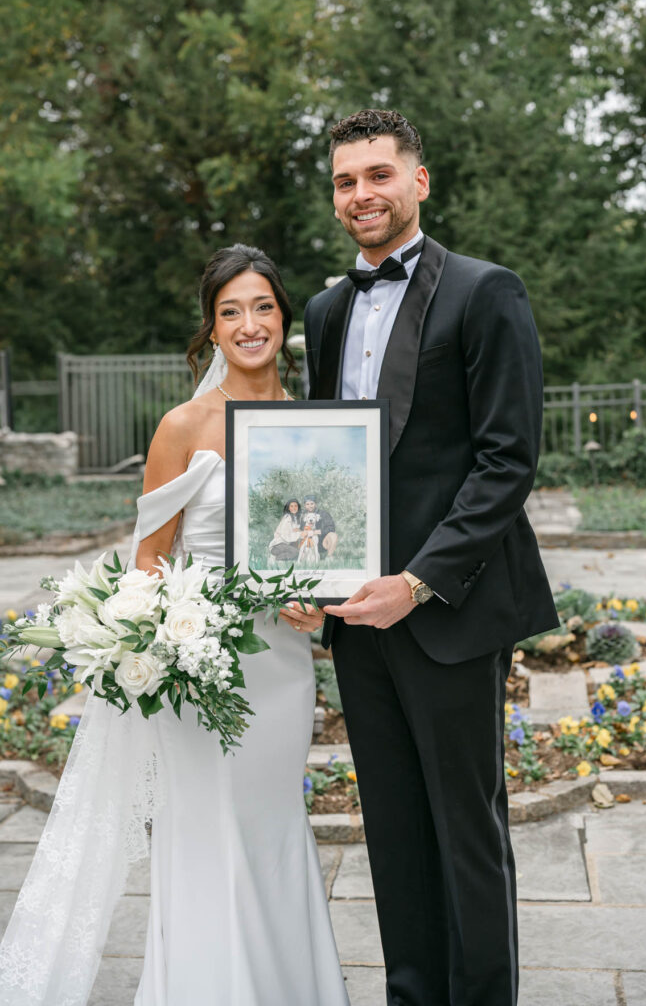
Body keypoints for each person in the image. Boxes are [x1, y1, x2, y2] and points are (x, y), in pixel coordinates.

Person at [0, 245, 349, 1006]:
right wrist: (181, 634)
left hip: (282, 667)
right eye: (231, 311)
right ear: (211, 330)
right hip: (203, 671)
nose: (248, 323)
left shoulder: (316, 426)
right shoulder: (183, 425)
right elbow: (147, 563)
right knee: (206, 836)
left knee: (271, 828)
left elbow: (323, 546)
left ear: (283, 319)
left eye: (261, 306)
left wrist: (315, 600)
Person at [300, 109, 560, 1006]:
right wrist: (308, 581)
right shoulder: (326, 310)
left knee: (465, 829)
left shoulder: (487, 292)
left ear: (418, 180)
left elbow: (506, 461)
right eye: (344, 180)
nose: (360, 194)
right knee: (394, 830)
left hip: (448, 606)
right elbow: (323, 465)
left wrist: (415, 584)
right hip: (355, 618)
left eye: (377, 174)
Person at [268, 497, 302, 561]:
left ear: (298, 507)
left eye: (295, 506)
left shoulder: (296, 518)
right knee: (296, 552)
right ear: (288, 508)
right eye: (291, 506)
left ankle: (278, 558)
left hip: (285, 545)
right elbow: (286, 536)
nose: (294, 508)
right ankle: (275, 558)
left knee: (297, 553)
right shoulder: (287, 518)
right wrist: (300, 533)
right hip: (277, 545)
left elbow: (295, 531)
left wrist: (298, 531)